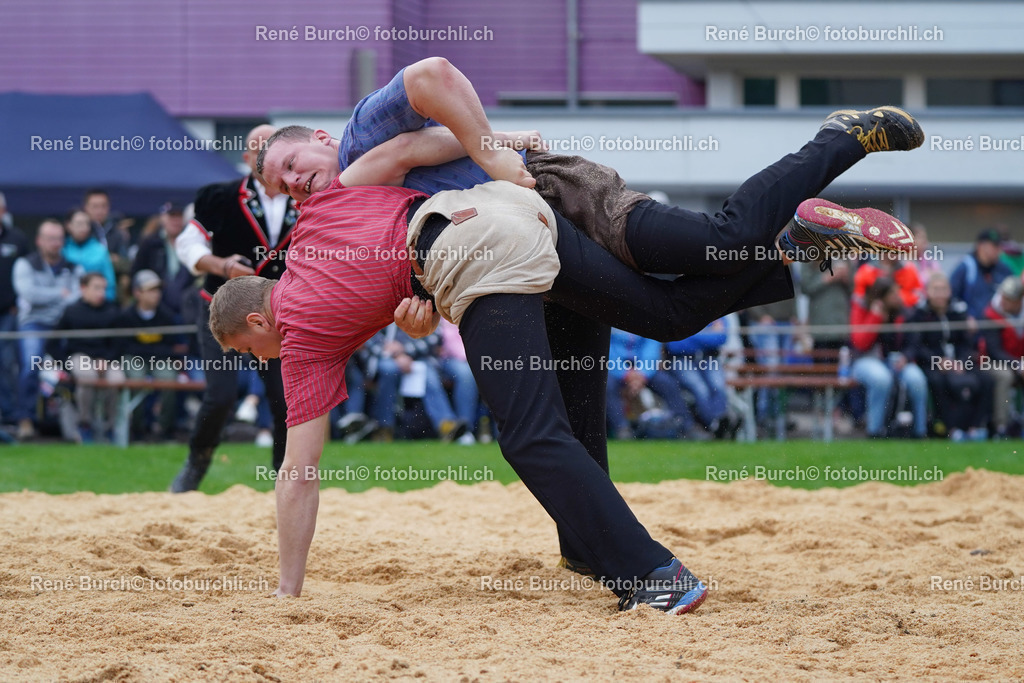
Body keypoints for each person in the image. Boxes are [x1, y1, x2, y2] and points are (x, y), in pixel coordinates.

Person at [168, 124, 298, 492]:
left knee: (284, 397)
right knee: (221, 395)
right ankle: (197, 463)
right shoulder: (218, 196)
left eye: (274, 148)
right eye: (259, 149)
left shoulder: (305, 197)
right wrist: (221, 265)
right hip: (220, 310)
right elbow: (188, 244)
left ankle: (283, 477)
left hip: (276, 316)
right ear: (246, 158)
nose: (266, 156)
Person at [11, 219, 83, 440]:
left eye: (59, 238)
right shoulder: (25, 264)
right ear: (39, 241)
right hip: (33, 323)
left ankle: (74, 425)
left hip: (64, 325)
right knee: (30, 367)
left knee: (77, 368)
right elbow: (28, 293)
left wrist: (51, 296)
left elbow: (77, 297)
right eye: (51, 239)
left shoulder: (73, 267)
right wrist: (58, 294)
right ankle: (25, 420)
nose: (55, 243)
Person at [907, 272, 991, 441]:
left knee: (987, 380)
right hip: (932, 364)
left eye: (943, 289)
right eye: (936, 289)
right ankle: (950, 428)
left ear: (949, 291)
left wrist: (960, 362)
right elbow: (917, 346)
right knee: (938, 381)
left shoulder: (959, 311)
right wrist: (939, 361)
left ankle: (976, 427)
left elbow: (967, 344)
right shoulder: (919, 314)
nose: (940, 294)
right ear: (927, 292)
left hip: (960, 362)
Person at [47, 273, 123, 442]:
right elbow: (52, 343)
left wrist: (107, 359)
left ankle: (110, 426)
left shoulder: (113, 310)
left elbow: (120, 343)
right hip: (79, 356)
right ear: (83, 289)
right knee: (87, 375)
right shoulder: (72, 311)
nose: (101, 293)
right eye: (96, 288)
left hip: (106, 358)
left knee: (117, 379)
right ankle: (85, 423)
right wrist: (66, 365)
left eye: (104, 288)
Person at [850, 276, 928, 438]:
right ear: (882, 297)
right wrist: (875, 317)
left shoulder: (904, 312)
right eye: (892, 294)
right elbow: (860, 343)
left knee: (917, 379)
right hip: (865, 360)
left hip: (898, 361)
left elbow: (914, 341)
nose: (897, 296)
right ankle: (875, 431)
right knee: (881, 379)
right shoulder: (862, 308)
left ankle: (920, 432)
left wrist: (906, 357)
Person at [116, 269, 187, 441]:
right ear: (137, 293)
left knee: (170, 380)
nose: (156, 294)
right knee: (136, 380)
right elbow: (124, 347)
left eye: (157, 290)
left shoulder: (167, 316)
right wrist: (153, 350)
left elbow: (171, 347)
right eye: (151, 290)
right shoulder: (126, 316)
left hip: (160, 360)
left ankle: (164, 429)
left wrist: (152, 351)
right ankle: (138, 429)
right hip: (135, 359)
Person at [650, 317, 732, 439]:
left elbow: (721, 338)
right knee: (699, 388)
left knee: (718, 386)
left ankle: (719, 424)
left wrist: (688, 335)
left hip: (708, 358)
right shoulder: (677, 311)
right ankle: (716, 425)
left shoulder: (714, 308)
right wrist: (707, 335)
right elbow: (674, 344)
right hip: (681, 358)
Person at [980, 276, 1024, 438]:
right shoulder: (991, 313)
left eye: (1009, 299)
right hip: (991, 362)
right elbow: (994, 351)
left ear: (1019, 300)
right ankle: (1002, 427)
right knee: (1004, 376)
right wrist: (1018, 366)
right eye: (1003, 297)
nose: (1004, 302)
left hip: (1019, 361)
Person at [132, 203, 193, 316]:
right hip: (157, 308)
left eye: (179, 216)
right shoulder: (150, 243)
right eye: (172, 216)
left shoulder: (193, 244)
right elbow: (137, 271)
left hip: (187, 307)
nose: (176, 220)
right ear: (163, 218)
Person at [0, 208, 30, 426]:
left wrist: (17, 304)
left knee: (6, 362)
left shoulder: (17, 239)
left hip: (7, 312)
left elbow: (27, 272)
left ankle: (9, 414)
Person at [950, 228, 1014, 320]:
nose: (999, 250)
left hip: (1000, 326)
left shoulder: (1004, 269)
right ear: (981, 246)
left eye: (1000, 246)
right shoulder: (966, 267)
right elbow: (953, 297)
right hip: (974, 328)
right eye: (994, 246)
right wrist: (965, 317)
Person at [63, 209, 116, 301]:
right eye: (79, 223)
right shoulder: (61, 249)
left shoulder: (100, 250)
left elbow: (110, 285)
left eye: (86, 224)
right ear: (68, 225)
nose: (83, 228)